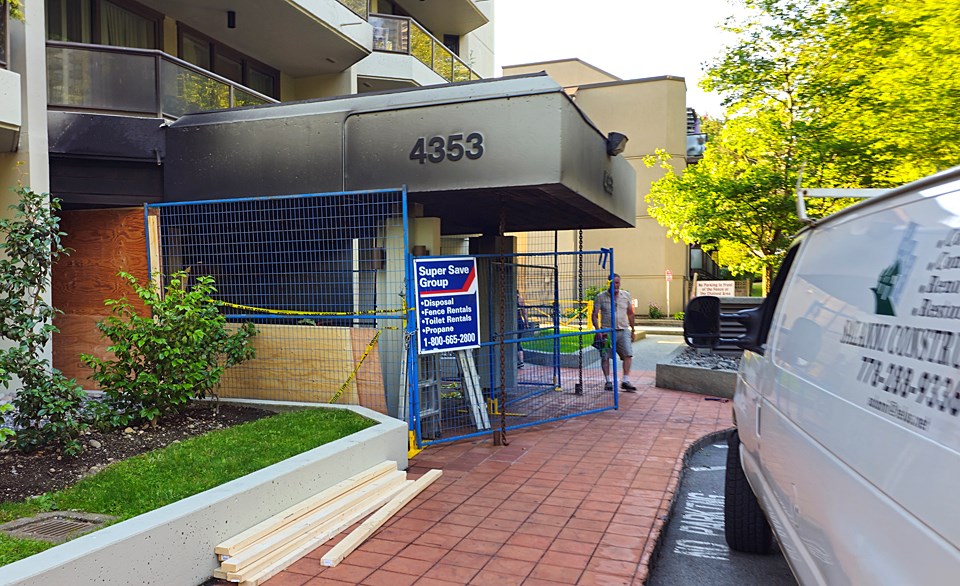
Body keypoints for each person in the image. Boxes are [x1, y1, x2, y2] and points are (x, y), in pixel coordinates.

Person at [591, 274, 636, 391]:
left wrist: (633, 330)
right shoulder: (600, 297)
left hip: (623, 330)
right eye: (613, 283)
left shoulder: (626, 295)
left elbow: (630, 313)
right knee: (605, 357)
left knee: (628, 354)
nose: (616, 285)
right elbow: (595, 315)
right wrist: (598, 330)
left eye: (617, 283)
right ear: (608, 283)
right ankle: (608, 381)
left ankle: (625, 380)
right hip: (607, 332)